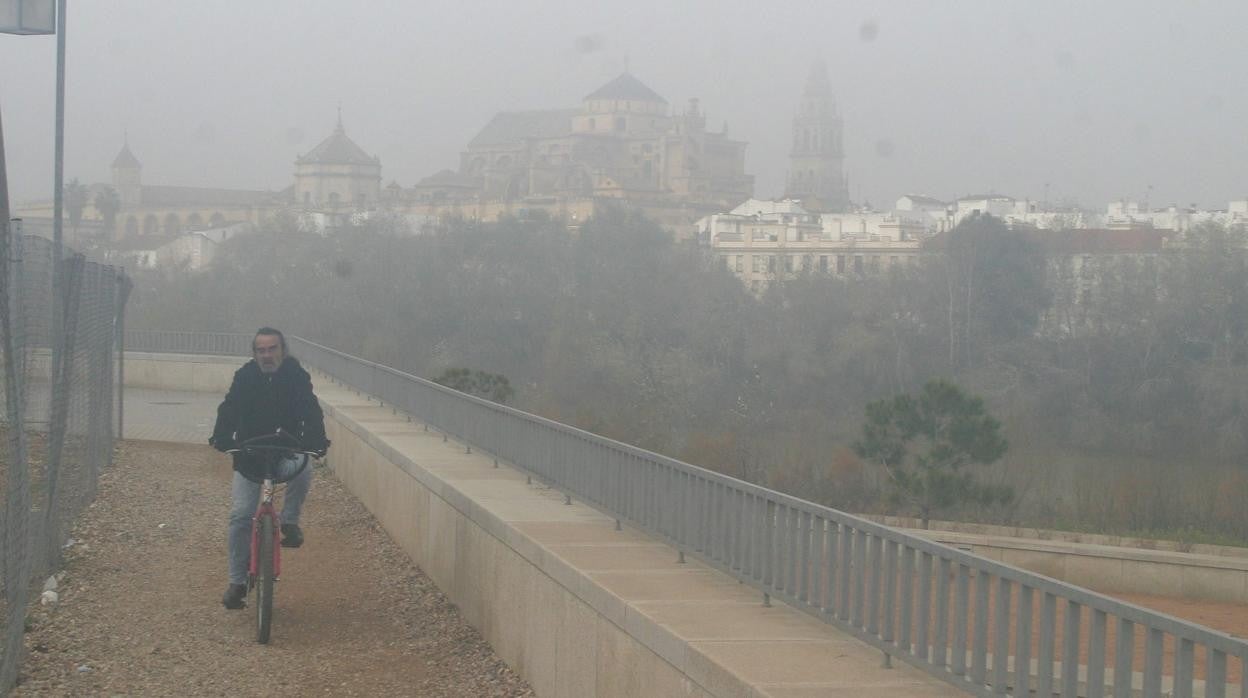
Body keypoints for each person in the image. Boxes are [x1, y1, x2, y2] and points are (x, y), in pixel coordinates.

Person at [209, 327, 330, 610]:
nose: (266, 355)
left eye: (272, 349)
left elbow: (311, 410)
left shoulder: (296, 376)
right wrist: (222, 437)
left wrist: (316, 440)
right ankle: (237, 583)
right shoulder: (245, 377)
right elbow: (229, 408)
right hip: (250, 455)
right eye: (261, 350)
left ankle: (289, 522)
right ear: (254, 354)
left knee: (304, 467)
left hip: (285, 449)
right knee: (240, 516)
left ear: (282, 351)